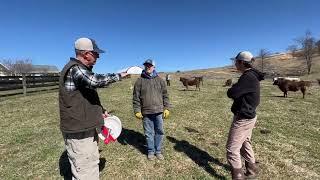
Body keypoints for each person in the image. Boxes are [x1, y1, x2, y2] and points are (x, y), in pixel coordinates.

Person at [59, 37, 127, 179]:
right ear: (86, 54)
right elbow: (94, 80)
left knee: (87, 165)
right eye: (95, 53)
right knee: (85, 171)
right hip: (79, 130)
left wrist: (100, 111)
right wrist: (118, 76)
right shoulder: (75, 69)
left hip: (84, 127)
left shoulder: (80, 70)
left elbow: (85, 97)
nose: (98, 56)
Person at [226, 51, 264, 180]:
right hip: (250, 115)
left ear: (242, 62)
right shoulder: (251, 76)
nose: (235, 64)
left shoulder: (247, 77)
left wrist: (233, 87)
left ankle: (238, 177)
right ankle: (252, 170)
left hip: (243, 117)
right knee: (245, 142)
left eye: (236, 61)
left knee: (232, 149)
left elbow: (232, 93)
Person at [133, 59, 171, 160]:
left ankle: (158, 151)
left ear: (154, 67)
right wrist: (137, 110)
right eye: (146, 65)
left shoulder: (160, 80)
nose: (147, 67)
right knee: (148, 133)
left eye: (150, 65)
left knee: (159, 132)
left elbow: (165, 95)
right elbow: (136, 98)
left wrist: (166, 108)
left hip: (159, 111)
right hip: (146, 112)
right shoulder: (139, 81)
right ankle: (150, 151)